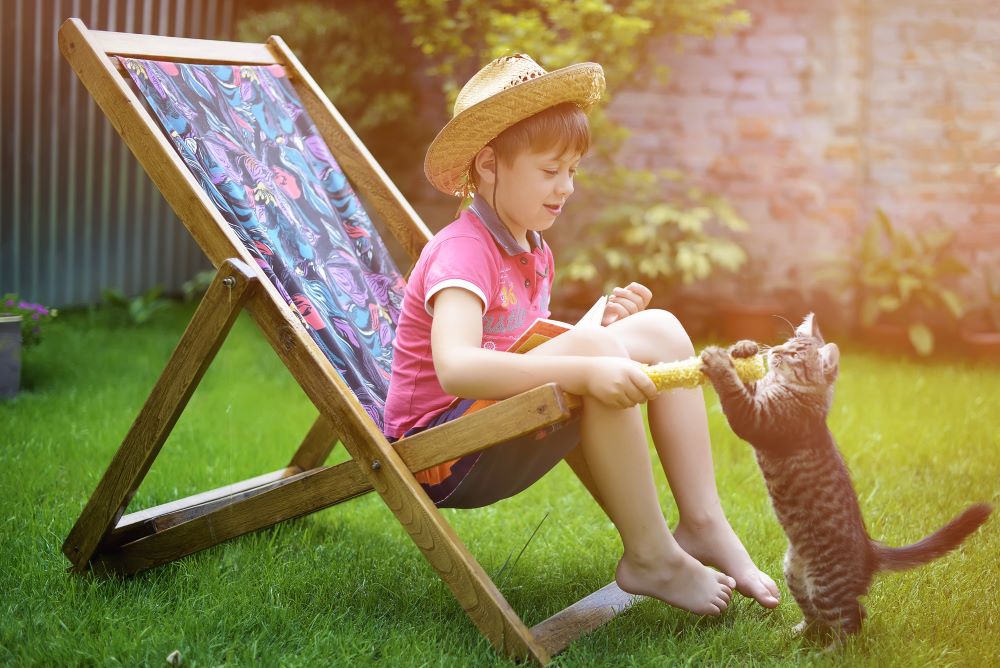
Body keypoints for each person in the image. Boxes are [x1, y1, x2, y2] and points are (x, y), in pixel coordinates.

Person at [384, 54, 779, 616]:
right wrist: (585, 360)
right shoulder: (462, 251)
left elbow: (525, 343)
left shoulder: (531, 248)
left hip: (494, 421)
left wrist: (599, 327)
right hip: (447, 452)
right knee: (595, 354)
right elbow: (458, 367)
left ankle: (702, 524)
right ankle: (650, 556)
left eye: (573, 170)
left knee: (662, 329)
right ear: (490, 164)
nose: (566, 187)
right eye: (550, 171)